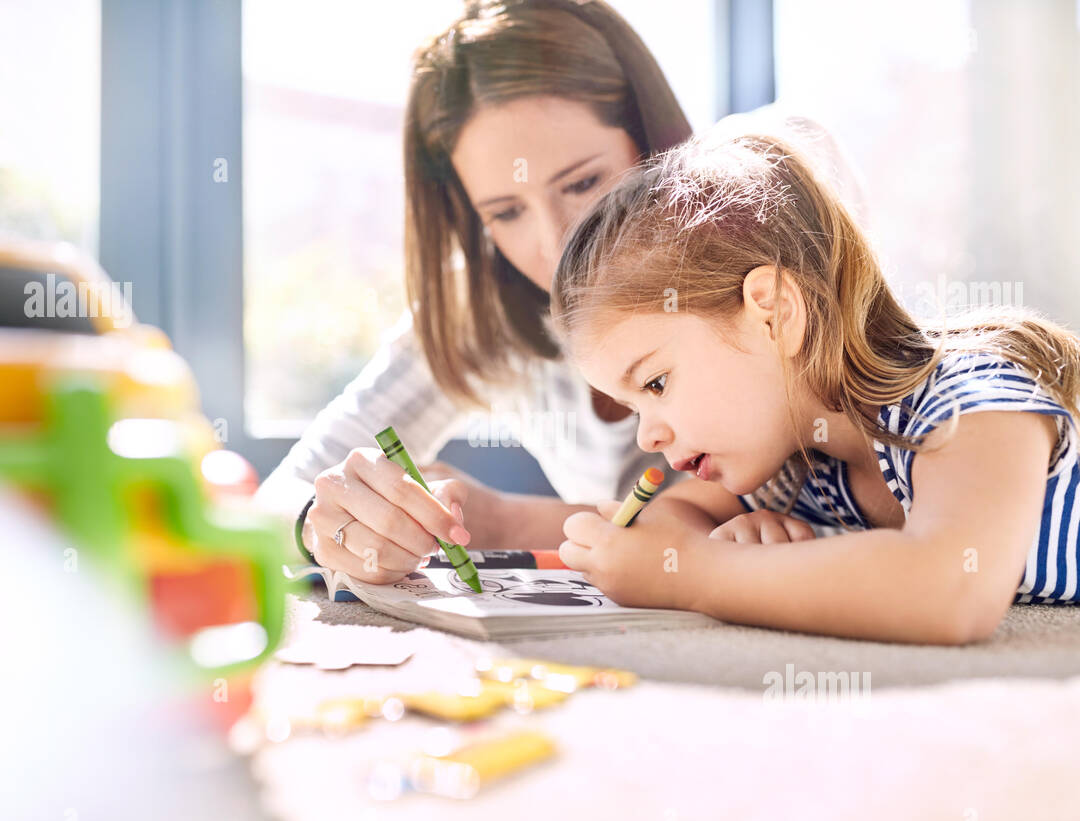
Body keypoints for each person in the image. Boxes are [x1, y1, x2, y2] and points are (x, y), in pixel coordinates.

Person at [253, 0, 867, 585]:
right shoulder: (480, 312)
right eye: (506, 212)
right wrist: (321, 523)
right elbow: (272, 508)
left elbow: (717, 515)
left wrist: (507, 522)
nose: (554, 246)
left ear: (651, 142)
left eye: (582, 182)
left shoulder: (760, 201)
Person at [549, 128, 1080, 644]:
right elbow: (672, 514)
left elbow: (952, 588)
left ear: (773, 310)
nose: (648, 432)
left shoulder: (971, 397)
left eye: (656, 383)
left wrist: (694, 576)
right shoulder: (801, 466)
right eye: (631, 407)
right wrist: (726, 543)